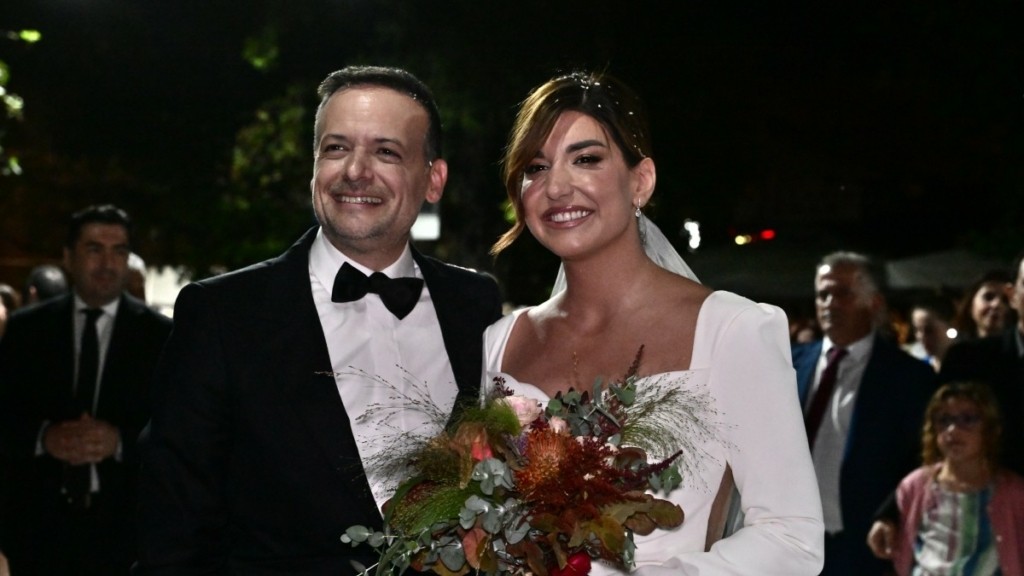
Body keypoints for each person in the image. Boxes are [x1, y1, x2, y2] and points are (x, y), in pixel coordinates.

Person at [134, 65, 503, 575]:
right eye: (336, 148)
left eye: (386, 151)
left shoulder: (475, 304)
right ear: (313, 169)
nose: (355, 170)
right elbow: (172, 533)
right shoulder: (223, 314)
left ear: (433, 179)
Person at [483, 71, 823, 575]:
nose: (556, 186)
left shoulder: (732, 331)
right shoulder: (501, 341)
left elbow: (792, 539)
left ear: (640, 181)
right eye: (536, 167)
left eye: (586, 159)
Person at [0, 204, 173, 575]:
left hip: (127, 535)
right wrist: (44, 438)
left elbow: (179, 432)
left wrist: (120, 442)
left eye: (119, 251)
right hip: (38, 530)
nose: (108, 264)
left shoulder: (160, 336)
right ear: (68, 257)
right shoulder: (27, 330)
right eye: (94, 249)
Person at [792, 251, 936, 576]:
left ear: (874, 302)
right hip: (789, 543)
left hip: (863, 547)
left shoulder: (908, 377)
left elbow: (920, 459)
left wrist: (892, 517)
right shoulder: (787, 362)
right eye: (822, 294)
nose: (829, 304)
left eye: (842, 293)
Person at [880, 382, 1024, 575]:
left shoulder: (1012, 491)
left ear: (989, 428)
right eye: (944, 420)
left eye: (968, 419)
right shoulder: (916, 485)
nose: (953, 430)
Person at [952, 269, 1012, 341]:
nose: (996, 304)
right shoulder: (955, 345)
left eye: (1005, 300)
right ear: (970, 305)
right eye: (988, 297)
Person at [907, 293, 957, 372]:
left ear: (951, 325)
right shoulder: (917, 367)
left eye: (929, 330)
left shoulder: (968, 365)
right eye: (917, 329)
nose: (921, 336)